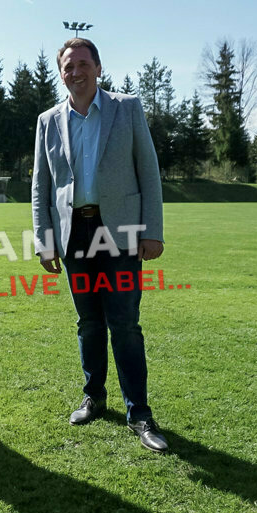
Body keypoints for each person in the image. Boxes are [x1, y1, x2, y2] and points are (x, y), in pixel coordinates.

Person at [31, 37, 168, 452]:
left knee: (124, 323)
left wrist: (152, 231)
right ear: (62, 73)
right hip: (75, 235)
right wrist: (44, 239)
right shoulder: (48, 120)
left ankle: (139, 413)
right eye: (69, 66)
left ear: (98, 67)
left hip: (121, 232)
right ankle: (94, 396)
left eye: (83, 64)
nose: (76, 72)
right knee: (88, 322)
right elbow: (41, 186)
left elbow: (149, 172)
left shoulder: (127, 108)